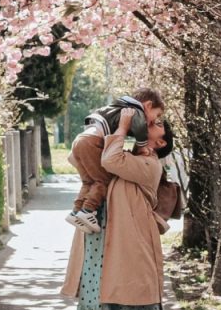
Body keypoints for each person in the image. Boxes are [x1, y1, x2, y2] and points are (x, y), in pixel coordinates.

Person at [60, 108, 191, 310]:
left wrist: (122, 128)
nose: (150, 124)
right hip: (101, 251)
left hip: (131, 257)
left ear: (160, 143)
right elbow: (83, 158)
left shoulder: (148, 164)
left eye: (157, 125)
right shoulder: (125, 155)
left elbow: (109, 159)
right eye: (151, 120)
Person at [66, 89, 169, 233]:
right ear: (148, 105)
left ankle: (76, 211)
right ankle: (88, 210)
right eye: (156, 115)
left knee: (89, 182)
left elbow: (127, 142)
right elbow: (137, 132)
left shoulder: (118, 106)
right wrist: (140, 148)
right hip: (92, 142)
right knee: (102, 180)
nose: (152, 121)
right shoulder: (135, 113)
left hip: (81, 139)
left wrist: (128, 147)